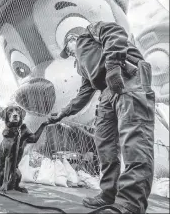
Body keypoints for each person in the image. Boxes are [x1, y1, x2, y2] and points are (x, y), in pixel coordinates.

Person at [48, 22, 155, 214]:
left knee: (135, 140)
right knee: (105, 144)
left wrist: (113, 65)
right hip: (106, 90)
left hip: (127, 75)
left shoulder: (90, 32)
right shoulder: (83, 67)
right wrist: (63, 112)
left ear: (72, 38)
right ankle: (108, 194)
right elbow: (85, 92)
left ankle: (130, 203)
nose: (70, 54)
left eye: (69, 50)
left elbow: (114, 32)